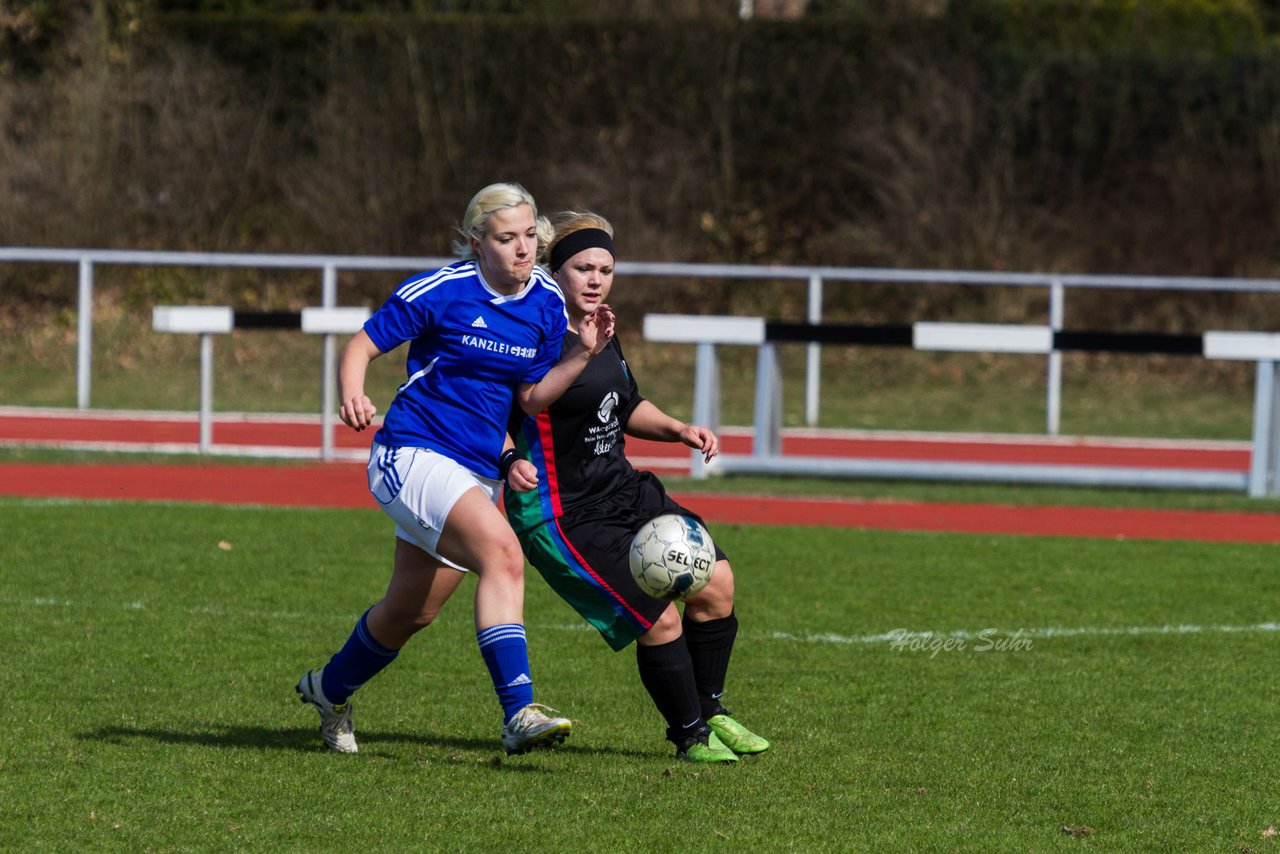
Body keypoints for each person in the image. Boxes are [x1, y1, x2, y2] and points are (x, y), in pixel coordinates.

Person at [296, 184, 615, 755]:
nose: (523, 249)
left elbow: (532, 398)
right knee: (503, 553)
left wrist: (581, 356)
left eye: (528, 235)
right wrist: (352, 394)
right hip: (411, 454)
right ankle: (519, 713)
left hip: (474, 472)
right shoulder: (445, 290)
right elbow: (362, 346)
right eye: (506, 238)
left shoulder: (544, 302)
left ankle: (329, 689)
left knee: (410, 612)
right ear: (477, 243)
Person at [502, 211, 769, 763]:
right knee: (658, 614)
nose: (596, 280)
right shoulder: (530, 332)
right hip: (561, 513)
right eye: (582, 268)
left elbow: (624, 405)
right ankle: (690, 735)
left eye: (605, 268)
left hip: (622, 488)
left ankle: (712, 709)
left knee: (717, 581)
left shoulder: (604, 326)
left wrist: (678, 429)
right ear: (557, 272)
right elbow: (502, 409)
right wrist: (507, 459)